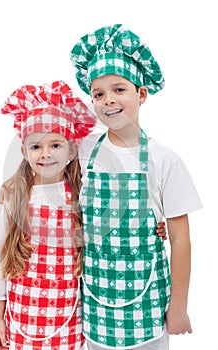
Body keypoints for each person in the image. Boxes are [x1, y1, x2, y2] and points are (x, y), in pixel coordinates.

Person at [70, 24, 203, 350]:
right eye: (98, 94)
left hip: (149, 303)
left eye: (119, 89)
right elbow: (42, 152)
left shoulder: (164, 159)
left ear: (141, 94)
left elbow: (181, 239)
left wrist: (179, 307)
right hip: (97, 303)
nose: (108, 100)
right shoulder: (85, 149)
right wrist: (12, 187)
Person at [0, 80, 97, 350]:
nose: (45, 153)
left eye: (56, 145)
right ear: (24, 152)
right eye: (36, 146)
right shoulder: (14, 197)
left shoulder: (81, 194)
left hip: (69, 312)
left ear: (72, 150)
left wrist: (156, 227)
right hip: (21, 312)